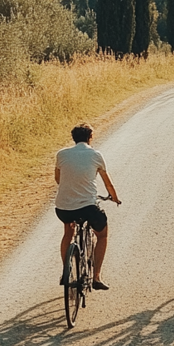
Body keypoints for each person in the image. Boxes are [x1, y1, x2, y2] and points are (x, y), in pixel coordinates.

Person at [55, 122, 121, 290]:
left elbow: (58, 179)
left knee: (68, 232)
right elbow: (108, 184)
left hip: (63, 208)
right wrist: (115, 198)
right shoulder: (95, 155)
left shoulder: (61, 154)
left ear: (73, 138)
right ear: (90, 137)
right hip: (88, 207)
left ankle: (66, 272)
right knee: (102, 235)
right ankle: (96, 277)